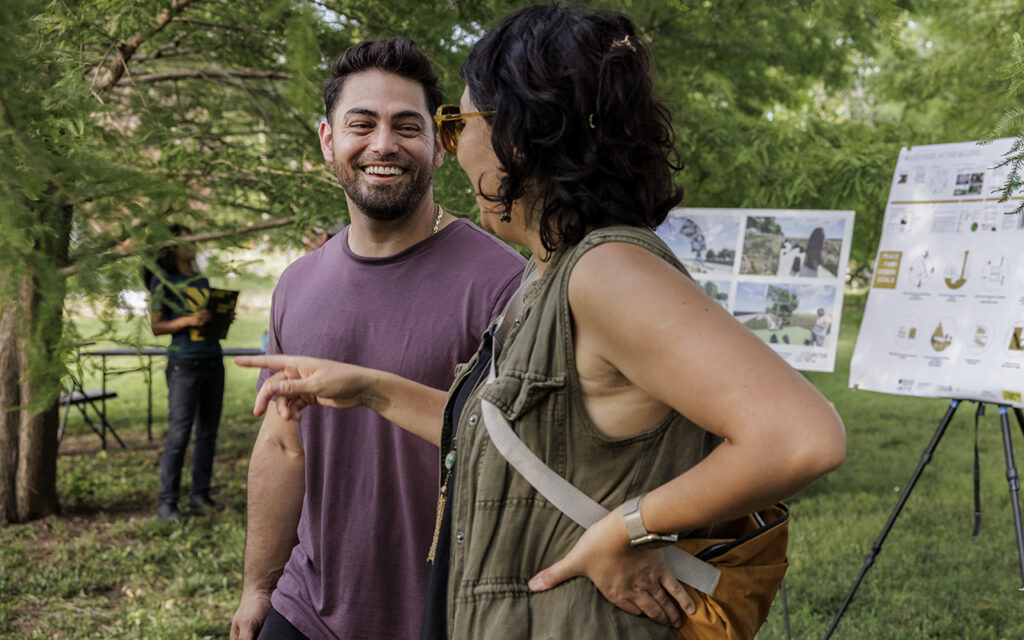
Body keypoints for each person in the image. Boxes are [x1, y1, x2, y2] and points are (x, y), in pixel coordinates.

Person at [238, 6, 846, 638]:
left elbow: (801, 435)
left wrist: (629, 527)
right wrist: (369, 388)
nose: (451, 145)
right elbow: (500, 439)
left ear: (519, 136)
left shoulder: (605, 271)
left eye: (456, 124)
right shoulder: (549, 273)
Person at [229, 38, 526, 640]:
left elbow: (521, 450)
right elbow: (283, 445)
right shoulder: (297, 283)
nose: (383, 144)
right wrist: (259, 587)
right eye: (361, 124)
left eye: (406, 126)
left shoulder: (504, 282)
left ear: (440, 146)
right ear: (327, 140)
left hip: (442, 614)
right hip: (307, 606)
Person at [145, 224, 226, 523]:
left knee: (208, 432)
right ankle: (167, 501)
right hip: (184, 365)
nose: (192, 243)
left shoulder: (201, 280)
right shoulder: (163, 281)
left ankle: (199, 494)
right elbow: (156, 326)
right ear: (171, 247)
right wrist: (189, 320)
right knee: (179, 433)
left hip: (212, 360)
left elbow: (207, 322)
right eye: (185, 240)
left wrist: (220, 318)